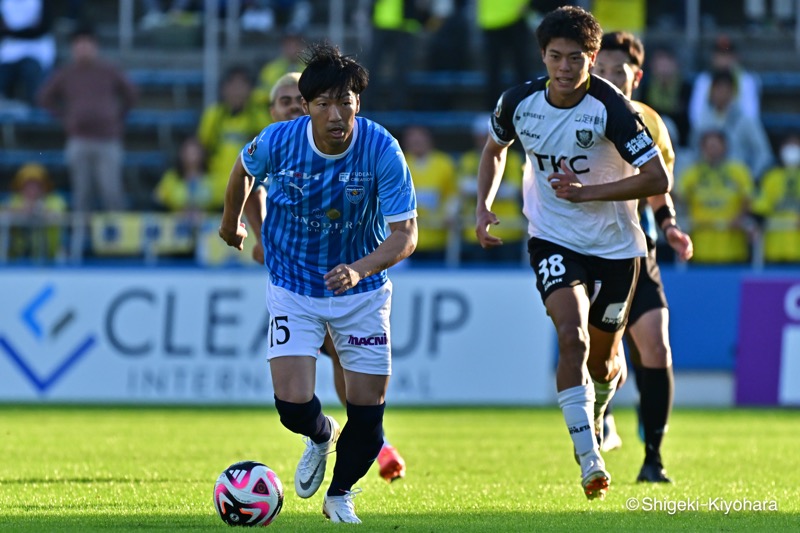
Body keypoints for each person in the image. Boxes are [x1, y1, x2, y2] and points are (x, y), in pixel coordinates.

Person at [475, 6, 671, 500]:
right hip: (553, 237)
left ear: (592, 58)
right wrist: (483, 205)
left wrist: (587, 192)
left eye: (576, 58)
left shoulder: (613, 109)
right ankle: (589, 458)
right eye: (556, 57)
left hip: (617, 246)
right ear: (543, 55)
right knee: (572, 337)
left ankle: (600, 407)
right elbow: (495, 149)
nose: (565, 67)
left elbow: (657, 179)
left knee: (603, 363)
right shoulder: (517, 102)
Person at [218, 43, 417, 524]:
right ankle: (322, 434)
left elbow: (406, 237)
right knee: (291, 406)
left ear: (357, 104)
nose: (335, 114)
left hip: (363, 294)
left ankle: (340, 495)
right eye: (323, 103)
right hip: (294, 285)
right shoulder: (278, 140)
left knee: (368, 416)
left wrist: (359, 269)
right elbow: (244, 169)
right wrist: (231, 222)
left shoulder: (381, 148)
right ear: (305, 106)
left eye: (344, 102)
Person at [593, 31, 694, 483]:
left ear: (637, 76)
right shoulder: (576, 114)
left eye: (620, 72)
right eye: (604, 70)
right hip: (587, 247)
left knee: (656, 345)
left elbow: (657, 184)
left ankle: (653, 457)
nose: (611, 79)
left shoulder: (649, 121)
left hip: (638, 247)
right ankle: (602, 410)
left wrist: (670, 225)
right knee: (602, 351)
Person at [37, 23, 137, 212]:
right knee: (81, 194)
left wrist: (117, 116)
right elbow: (44, 97)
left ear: (95, 46)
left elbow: (131, 93)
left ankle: (116, 239)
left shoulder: (109, 70)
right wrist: (64, 116)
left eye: (87, 43)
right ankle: (79, 238)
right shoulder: (66, 73)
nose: (83, 48)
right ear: (74, 47)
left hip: (107, 140)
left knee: (111, 192)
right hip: (79, 139)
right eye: (79, 44)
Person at [677, 129, 754, 264]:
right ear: (702, 148)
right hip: (701, 247)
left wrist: (739, 217)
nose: (713, 150)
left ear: (725, 147)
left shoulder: (739, 172)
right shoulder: (692, 174)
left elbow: (748, 198)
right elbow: (678, 196)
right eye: (709, 146)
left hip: (732, 247)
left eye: (716, 146)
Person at [197, 64, 268, 210]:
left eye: (241, 86)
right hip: (217, 187)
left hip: (250, 187)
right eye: (232, 85)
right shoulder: (213, 116)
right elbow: (202, 150)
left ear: (250, 90)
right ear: (224, 89)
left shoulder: (260, 117)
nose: (237, 91)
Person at [689, 68, 773, 181]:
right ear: (711, 91)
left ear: (733, 92)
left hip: (737, 184)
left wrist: (751, 177)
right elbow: (694, 151)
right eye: (718, 89)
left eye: (726, 89)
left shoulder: (746, 121)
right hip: (707, 186)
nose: (721, 93)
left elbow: (763, 154)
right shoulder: (702, 121)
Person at [401, 124, 458, 264]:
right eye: (412, 139)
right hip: (404, 239)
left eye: (420, 139)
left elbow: (452, 195)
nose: (416, 142)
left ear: (429, 140)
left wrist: (450, 214)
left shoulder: (444, 163)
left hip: (437, 237)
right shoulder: (399, 163)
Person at [688, 35, 761, 129]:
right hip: (710, 131)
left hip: (737, 131)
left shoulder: (746, 81)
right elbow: (695, 116)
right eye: (720, 55)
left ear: (735, 57)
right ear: (713, 57)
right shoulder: (704, 80)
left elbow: (751, 115)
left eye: (727, 55)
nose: (723, 60)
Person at [749, 133, 800, 263]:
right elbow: (759, 210)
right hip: (774, 249)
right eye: (788, 145)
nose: (792, 149)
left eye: (796, 145)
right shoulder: (771, 177)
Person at [476, 0, 534, 109]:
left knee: (495, 70)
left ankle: (493, 109)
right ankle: (525, 105)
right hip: (511, 14)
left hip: (493, 18)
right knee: (519, 67)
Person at [4, 162, 67, 260]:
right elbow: (3, 213)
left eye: (36, 184)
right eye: (28, 185)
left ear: (44, 186)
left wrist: (39, 210)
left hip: (48, 258)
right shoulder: (14, 201)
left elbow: (59, 216)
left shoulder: (54, 200)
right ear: (21, 186)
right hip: (18, 258)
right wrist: (20, 211)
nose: (32, 188)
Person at [0, 0, 55, 106]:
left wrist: (12, 32)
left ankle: (35, 113)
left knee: (32, 73)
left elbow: (43, 28)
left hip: (36, 50)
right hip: (10, 51)